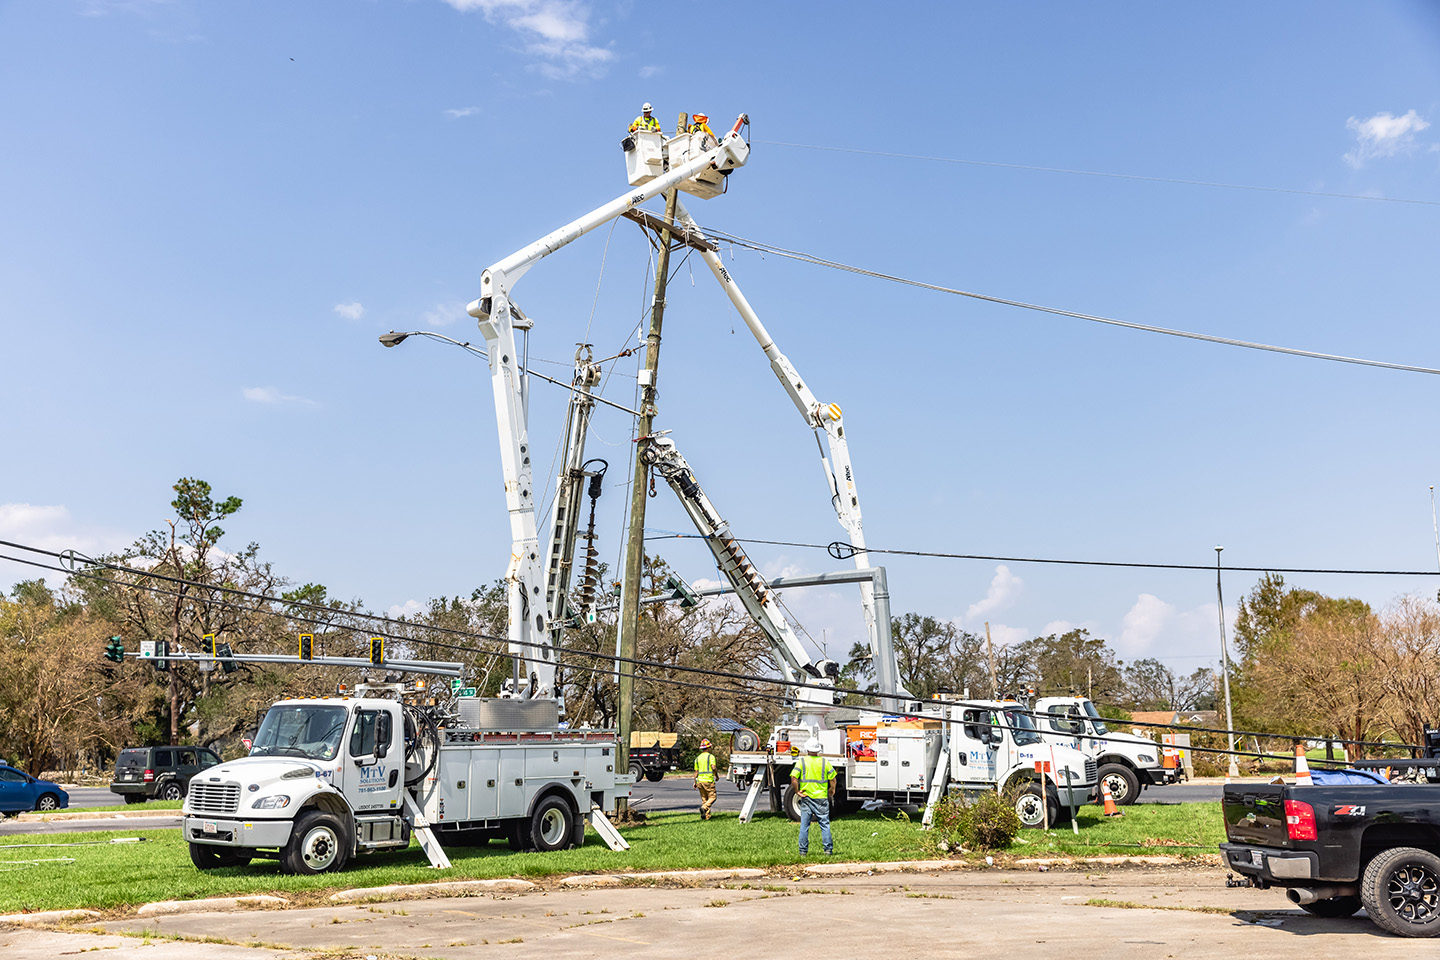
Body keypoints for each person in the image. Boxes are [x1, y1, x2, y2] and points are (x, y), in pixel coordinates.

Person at [790, 738, 836, 855]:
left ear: (807, 749)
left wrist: (797, 791)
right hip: (821, 798)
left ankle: (803, 852)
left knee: (804, 825)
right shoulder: (825, 762)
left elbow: (794, 778)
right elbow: (833, 779)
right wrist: (832, 789)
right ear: (818, 750)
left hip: (806, 797)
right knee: (824, 825)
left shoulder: (802, 762)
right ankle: (827, 850)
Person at [694, 738, 717, 819]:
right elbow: (713, 768)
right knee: (712, 797)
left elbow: (696, 772)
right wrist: (716, 775)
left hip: (699, 781)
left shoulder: (697, 758)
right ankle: (704, 808)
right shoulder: (711, 757)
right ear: (708, 748)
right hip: (708, 780)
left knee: (704, 799)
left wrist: (695, 782)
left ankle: (707, 817)